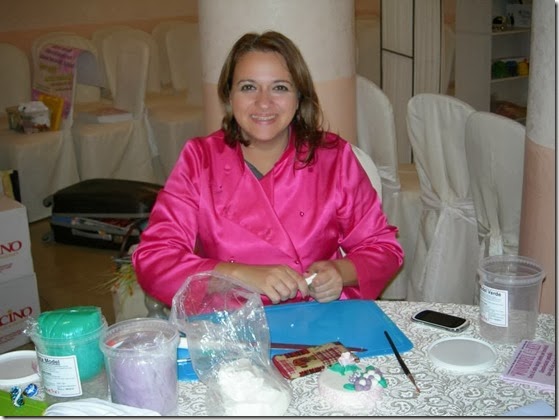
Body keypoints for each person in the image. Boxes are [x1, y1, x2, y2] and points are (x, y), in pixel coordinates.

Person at [132, 30, 403, 307]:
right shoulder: (200, 160)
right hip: (228, 322)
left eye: (280, 88)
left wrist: (339, 272)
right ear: (229, 96)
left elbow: (383, 249)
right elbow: (155, 260)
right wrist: (238, 275)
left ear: (299, 97)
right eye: (248, 87)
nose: (264, 102)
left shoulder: (334, 159)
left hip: (314, 317)